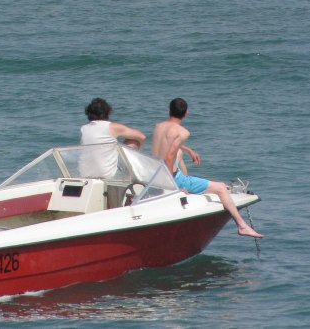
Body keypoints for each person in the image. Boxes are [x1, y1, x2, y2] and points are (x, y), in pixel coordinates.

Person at [152, 98, 263, 239]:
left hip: (153, 174)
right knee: (221, 188)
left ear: (169, 111)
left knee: (179, 155)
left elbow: (165, 145)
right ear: (186, 114)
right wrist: (170, 186)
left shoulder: (158, 127)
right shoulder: (182, 132)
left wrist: (188, 150)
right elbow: (169, 156)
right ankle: (242, 226)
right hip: (172, 178)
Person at [80, 97, 146, 179]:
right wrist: (137, 152)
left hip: (85, 173)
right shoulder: (111, 127)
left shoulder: (84, 128)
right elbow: (142, 137)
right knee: (133, 140)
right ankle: (129, 177)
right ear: (107, 113)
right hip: (107, 174)